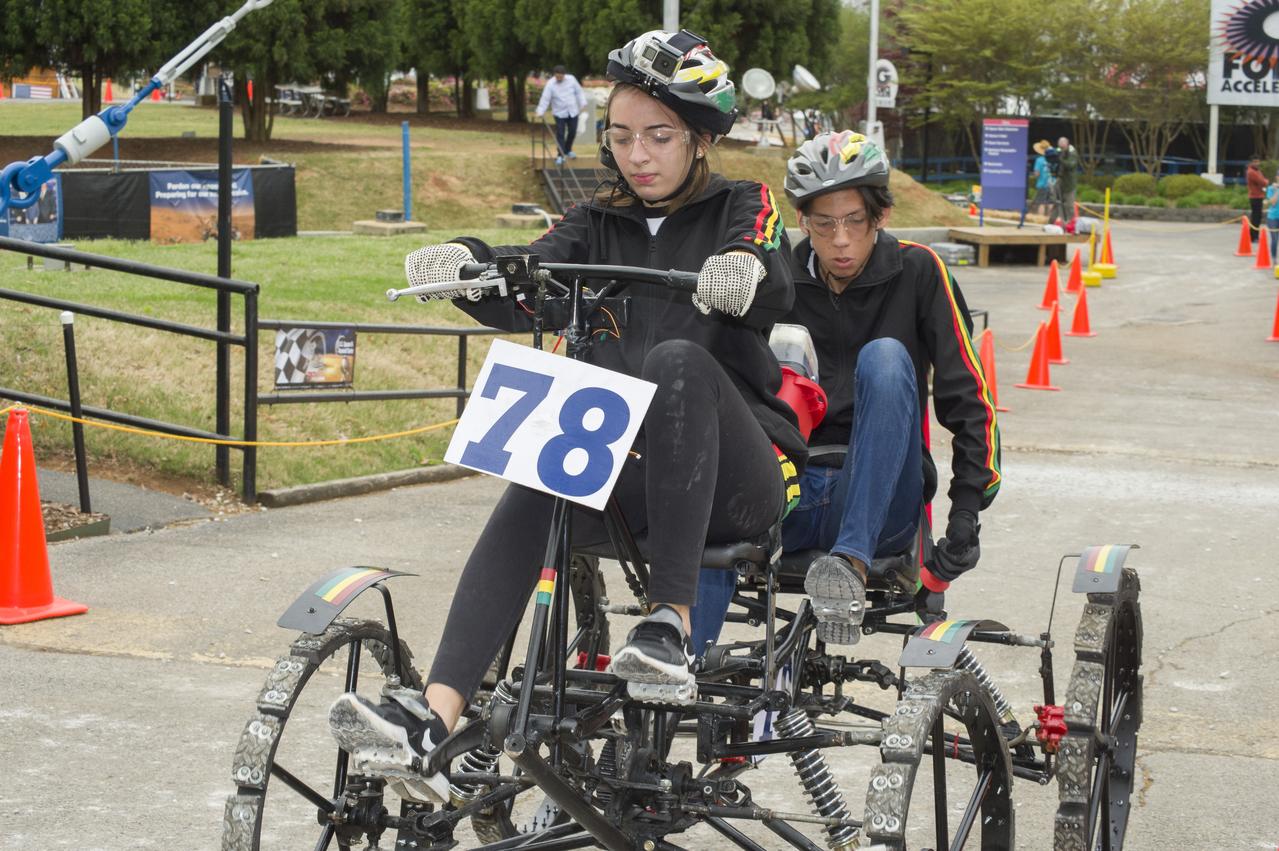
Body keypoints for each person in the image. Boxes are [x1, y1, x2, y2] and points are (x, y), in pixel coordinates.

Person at [328, 29, 804, 803]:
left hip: (737, 479)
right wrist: (464, 262)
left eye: (658, 136)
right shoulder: (596, 218)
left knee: (676, 362)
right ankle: (434, 717)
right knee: (545, 470)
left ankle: (669, 626)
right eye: (619, 136)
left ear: (698, 138)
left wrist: (740, 271)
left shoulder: (741, 203)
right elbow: (529, 273)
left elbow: (764, 258)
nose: (636, 155)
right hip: (633, 484)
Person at [690, 130, 1002, 649]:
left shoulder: (919, 271)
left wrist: (966, 509)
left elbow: (967, 396)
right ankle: (677, 668)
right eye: (823, 223)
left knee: (884, 356)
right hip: (787, 490)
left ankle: (849, 568)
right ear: (802, 222)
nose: (839, 240)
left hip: (881, 498)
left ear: (879, 217)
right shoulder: (774, 280)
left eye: (854, 221)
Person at [534, 64, 588, 165]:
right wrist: (540, 111)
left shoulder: (571, 79)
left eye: (561, 76)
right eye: (557, 76)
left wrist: (583, 103)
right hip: (559, 113)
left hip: (572, 111)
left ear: (564, 75)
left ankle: (567, 150)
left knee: (572, 131)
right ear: (554, 75)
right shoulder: (550, 84)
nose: (559, 78)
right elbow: (545, 98)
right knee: (560, 134)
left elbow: (579, 92)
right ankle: (560, 155)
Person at [1056, 136, 1080, 222]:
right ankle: (1061, 222)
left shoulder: (1072, 152)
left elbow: (1070, 165)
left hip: (1069, 184)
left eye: (1062, 143)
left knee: (1069, 205)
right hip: (1061, 181)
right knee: (1058, 203)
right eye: (1059, 143)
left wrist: (1060, 159)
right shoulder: (1060, 151)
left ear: (1066, 143)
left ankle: (1072, 224)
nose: (1060, 145)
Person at [1030, 139, 1055, 219]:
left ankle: (1040, 220)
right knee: (1051, 203)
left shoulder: (1039, 160)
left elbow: (1037, 174)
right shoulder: (1053, 159)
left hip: (1042, 184)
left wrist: (1035, 175)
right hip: (1053, 184)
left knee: (1041, 203)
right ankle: (1050, 220)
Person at [1247, 154, 1268, 245]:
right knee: (1256, 217)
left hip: (1259, 196)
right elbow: (1262, 182)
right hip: (1255, 197)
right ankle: (1253, 237)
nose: (1257, 163)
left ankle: (1254, 236)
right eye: (1255, 162)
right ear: (1251, 162)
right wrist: (1265, 181)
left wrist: (1264, 181)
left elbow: (1262, 181)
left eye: (1258, 161)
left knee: (1257, 217)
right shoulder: (1251, 172)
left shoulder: (1256, 170)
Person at [1265, 170, 1279, 260]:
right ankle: (1274, 259)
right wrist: (1277, 190)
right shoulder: (1271, 188)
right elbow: (1273, 202)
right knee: (1274, 239)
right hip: (1273, 217)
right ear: (1276, 177)